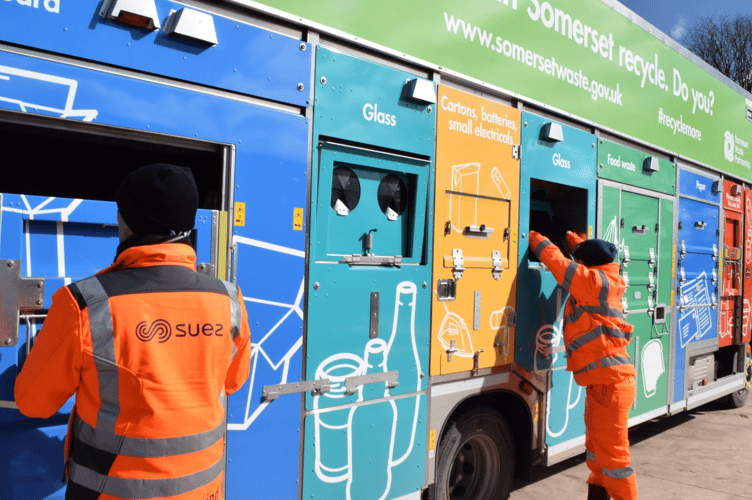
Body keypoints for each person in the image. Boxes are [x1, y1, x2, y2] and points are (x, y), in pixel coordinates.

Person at [14, 164, 251, 500]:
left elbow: (32, 403)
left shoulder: (83, 304)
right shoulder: (228, 299)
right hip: (204, 489)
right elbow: (232, 383)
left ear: (124, 221)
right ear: (188, 222)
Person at [529, 227, 637, 500]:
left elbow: (557, 262)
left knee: (615, 460)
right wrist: (574, 240)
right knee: (597, 453)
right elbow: (585, 257)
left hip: (609, 385)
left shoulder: (590, 282)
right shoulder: (607, 275)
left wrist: (531, 236)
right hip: (604, 384)